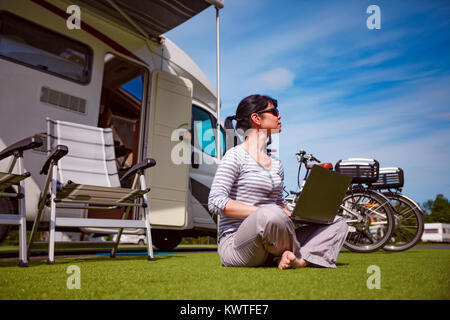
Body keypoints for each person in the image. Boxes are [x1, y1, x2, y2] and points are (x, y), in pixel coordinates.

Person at [208, 94, 349, 269]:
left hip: (273, 236)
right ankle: (296, 252)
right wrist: (264, 212)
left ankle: (298, 260)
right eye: (274, 111)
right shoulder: (235, 156)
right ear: (256, 118)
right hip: (237, 244)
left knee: (338, 222)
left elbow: (279, 205)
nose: (279, 116)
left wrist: (299, 214)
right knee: (271, 214)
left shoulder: (277, 164)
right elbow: (215, 202)